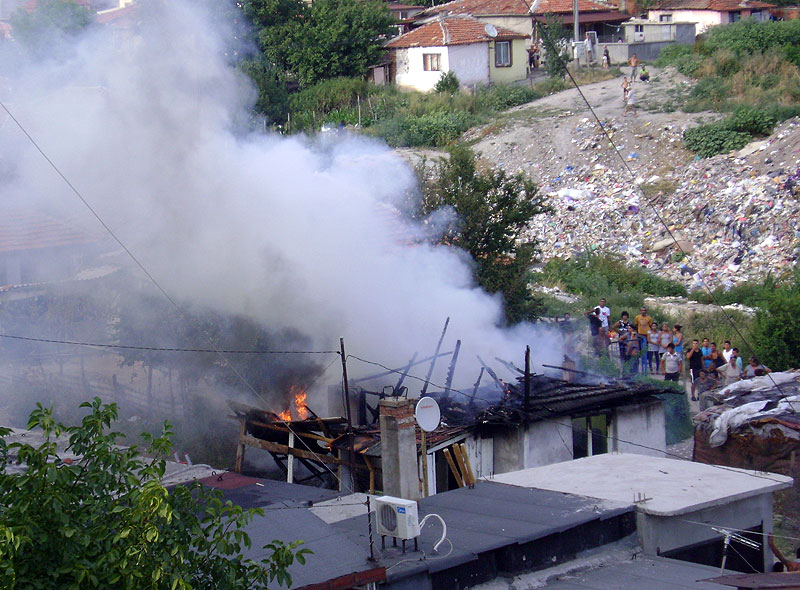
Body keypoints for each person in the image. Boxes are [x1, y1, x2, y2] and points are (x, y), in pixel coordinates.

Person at [634, 306, 652, 372]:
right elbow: (636, 325)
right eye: (642, 310)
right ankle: (638, 363)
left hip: (646, 334)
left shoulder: (649, 318)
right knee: (638, 349)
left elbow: (650, 326)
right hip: (639, 334)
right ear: (640, 311)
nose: (643, 311)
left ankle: (645, 363)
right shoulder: (637, 317)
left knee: (645, 349)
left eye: (644, 310)